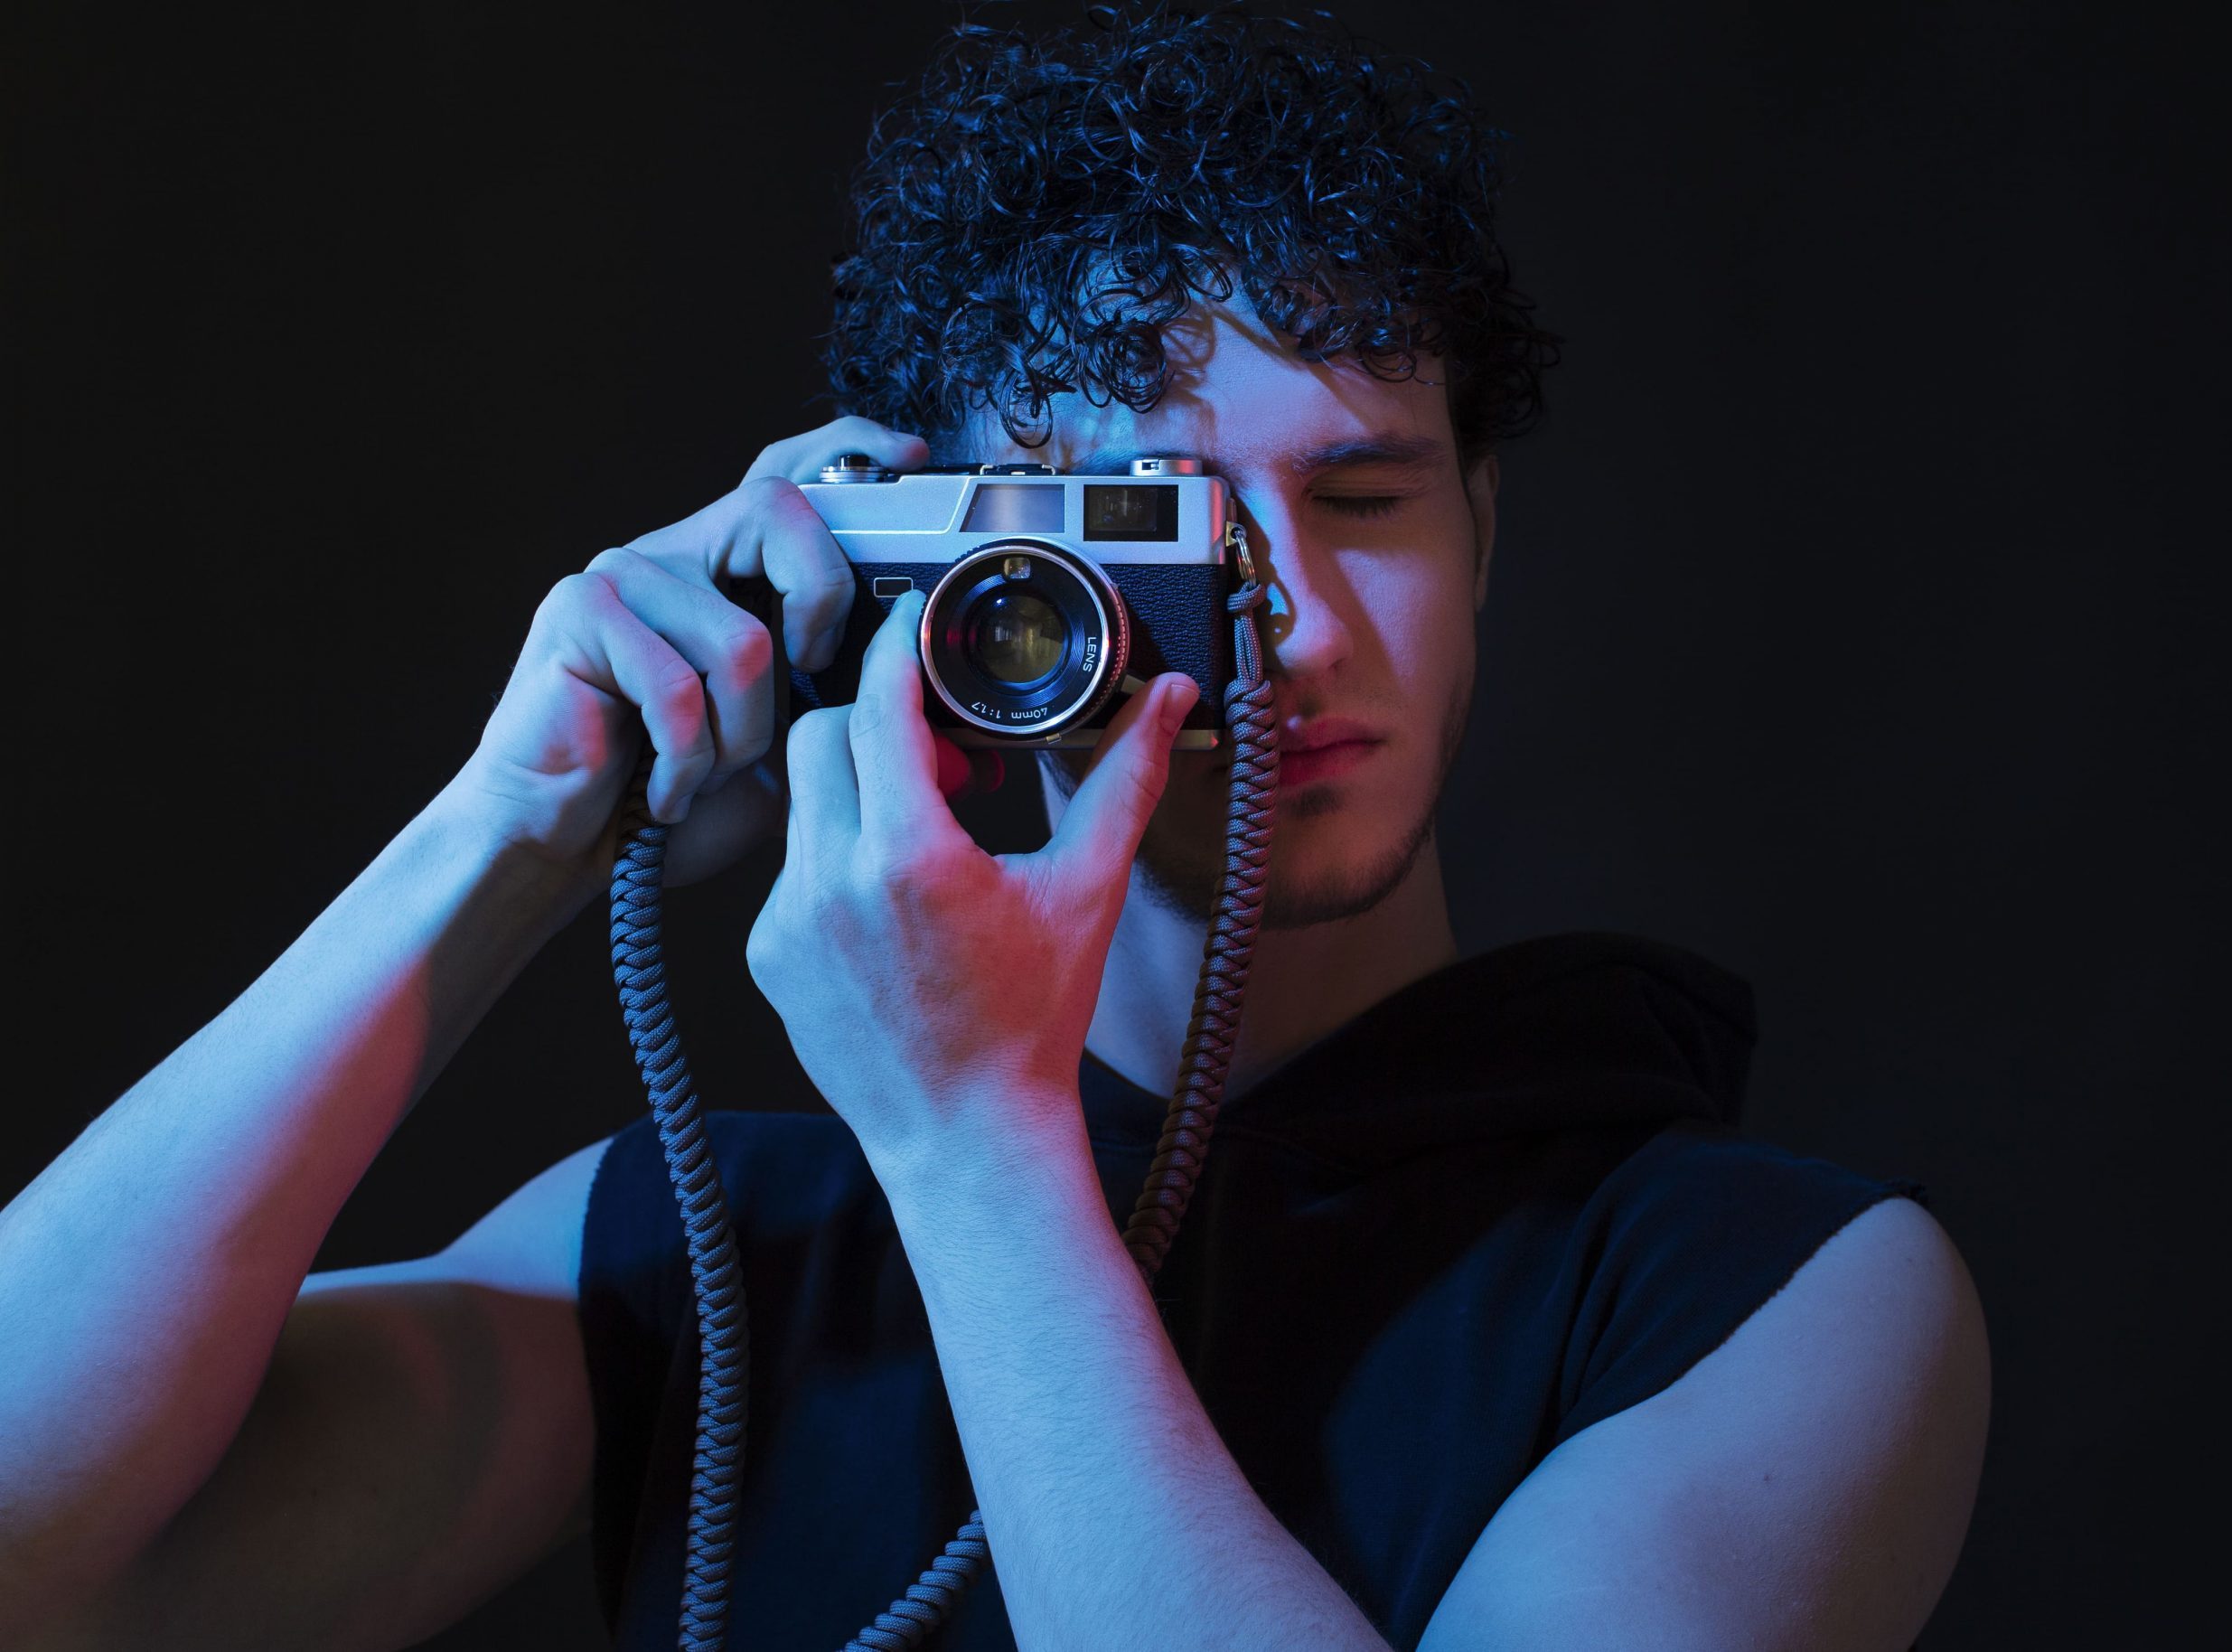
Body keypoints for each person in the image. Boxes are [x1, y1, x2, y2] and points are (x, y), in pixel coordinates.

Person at [0, 6, 1990, 1649]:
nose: (1277, 609)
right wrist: (507, 831)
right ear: (945, 582)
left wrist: (975, 1147)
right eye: (1149, 523)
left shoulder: (1770, 1289)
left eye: (1363, 498)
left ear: (1485, 534)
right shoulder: (718, 1246)